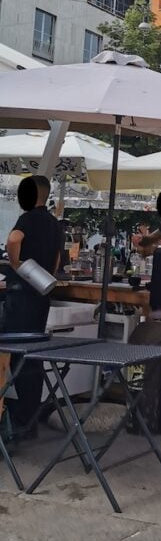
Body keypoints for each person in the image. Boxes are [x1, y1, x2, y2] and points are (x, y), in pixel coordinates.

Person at [4, 175, 62, 435]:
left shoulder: (26, 219)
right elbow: (59, 259)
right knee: (34, 355)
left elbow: (14, 240)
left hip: (21, 294)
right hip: (42, 294)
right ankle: (31, 416)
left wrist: (16, 263)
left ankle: (17, 418)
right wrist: (47, 274)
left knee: (16, 354)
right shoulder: (54, 223)